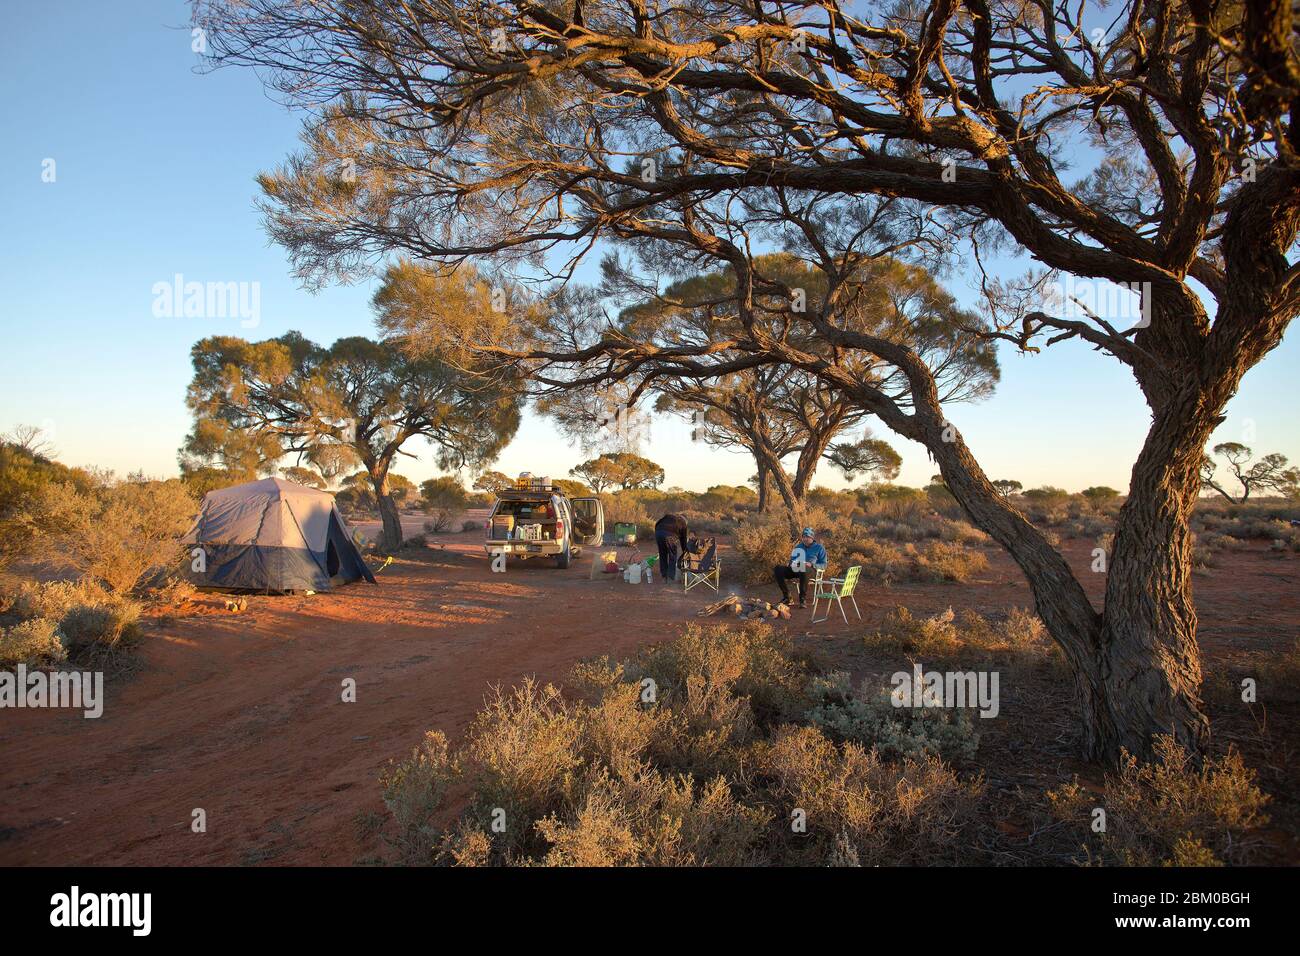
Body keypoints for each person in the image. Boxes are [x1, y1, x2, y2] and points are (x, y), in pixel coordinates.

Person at [773, 527, 827, 608]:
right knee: (778, 569)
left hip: (811, 571)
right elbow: (792, 560)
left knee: (804, 569)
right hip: (797, 569)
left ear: (812, 537)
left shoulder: (819, 548)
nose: (805, 539)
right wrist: (792, 563)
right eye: (803, 537)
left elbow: (824, 565)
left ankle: (802, 599)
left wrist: (811, 564)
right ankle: (787, 597)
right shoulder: (798, 547)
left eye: (807, 537)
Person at [654, 513, 690, 583]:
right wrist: (685, 552)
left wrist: (658, 534)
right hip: (669, 535)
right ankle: (670, 577)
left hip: (658, 532)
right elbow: (683, 541)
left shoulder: (669, 517)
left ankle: (664, 576)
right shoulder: (683, 523)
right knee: (672, 556)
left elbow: (657, 523)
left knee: (662, 554)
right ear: (685, 520)